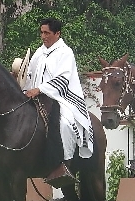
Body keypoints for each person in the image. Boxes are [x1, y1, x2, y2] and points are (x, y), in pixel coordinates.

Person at [23, 18, 93, 188]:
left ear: (57, 34)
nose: (43, 36)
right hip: (35, 98)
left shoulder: (65, 52)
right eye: (41, 32)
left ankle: (62, 165)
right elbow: (30, 77)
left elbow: (62, 79)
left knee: (64, 124)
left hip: (61, 99)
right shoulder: (38, 53)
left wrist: (40, 89)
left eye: (47, 33)